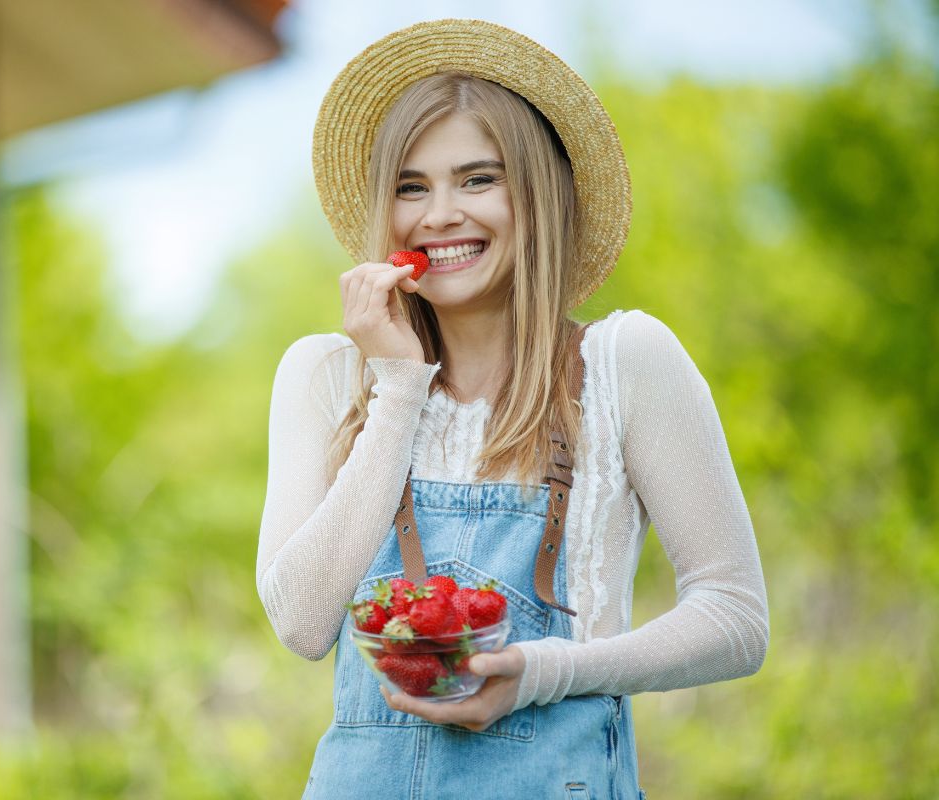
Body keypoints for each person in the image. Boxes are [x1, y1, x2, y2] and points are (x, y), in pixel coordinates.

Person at [256, 19, 769, 799]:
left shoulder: (622, 363)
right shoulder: (325, 376)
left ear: (536, 194)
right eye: (411, 186)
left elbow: (736, 618)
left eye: (478, 179)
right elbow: (300, 625)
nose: (440, 215)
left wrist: (541, 671)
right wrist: (397, 387)